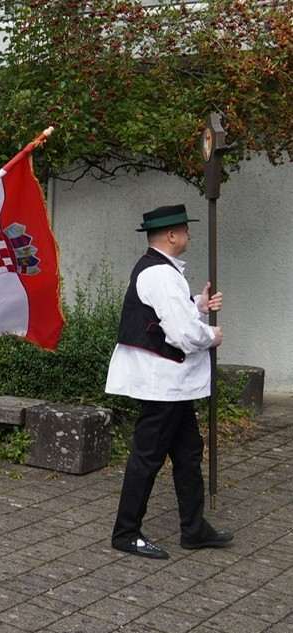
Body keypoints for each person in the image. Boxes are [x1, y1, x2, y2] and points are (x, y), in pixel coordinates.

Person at [107, 204, 233, 559]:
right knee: (147, 457)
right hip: (162, 384)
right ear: (172, 235)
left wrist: (198, 305)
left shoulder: (160, 270)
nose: (189, 235)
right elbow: (180, 333)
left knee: (188, 453)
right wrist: (210, 336)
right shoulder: (160, 274)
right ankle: (125, 532)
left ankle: (193, 529)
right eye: (185, 230)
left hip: (171, 385)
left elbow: (168, 315)